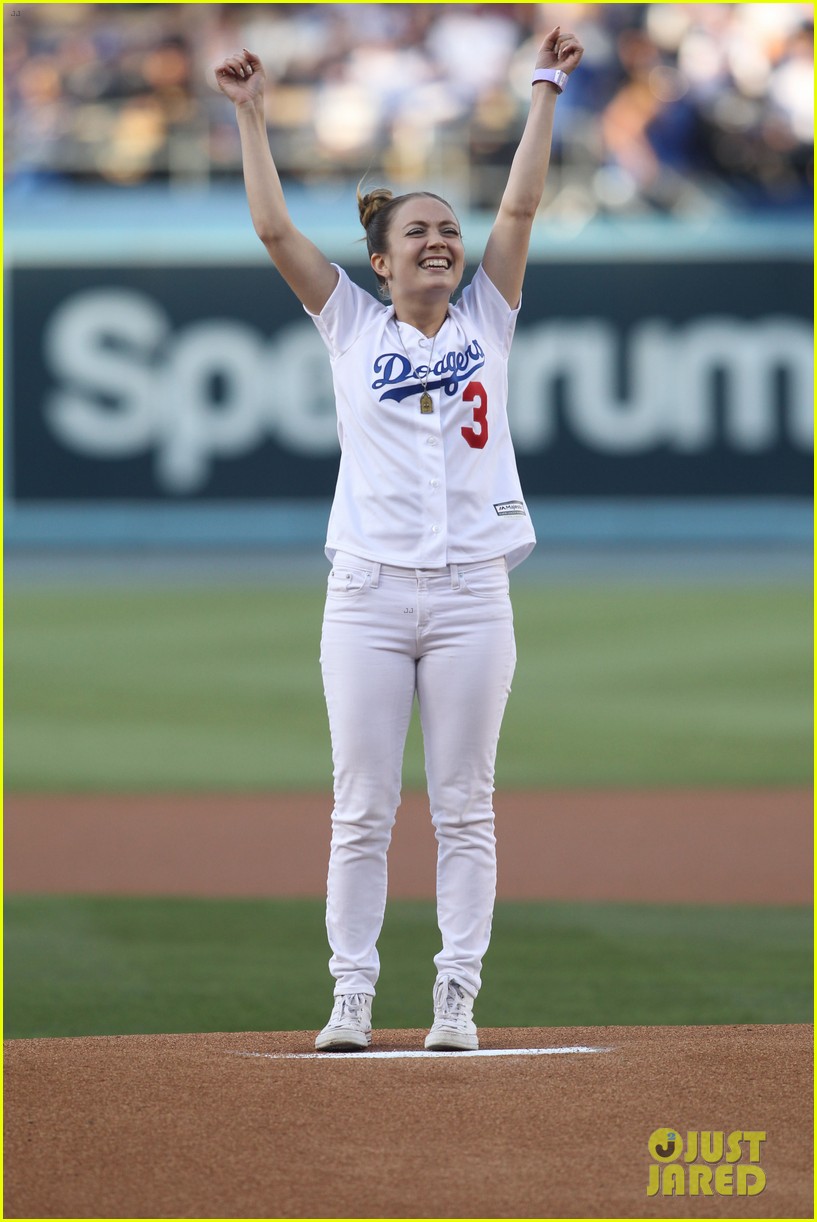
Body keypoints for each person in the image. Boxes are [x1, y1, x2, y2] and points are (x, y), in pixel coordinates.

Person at [215, 26, 583, 1052]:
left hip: (472, 591)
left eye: (447, 231)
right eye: (418, 233)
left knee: (464, 806)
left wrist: (544, 86)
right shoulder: (350, 326)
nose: (440, 240)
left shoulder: (488, 320)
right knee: (361, 807)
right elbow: (274, 230)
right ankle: (350, 992)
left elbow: (519, 204)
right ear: (378, 265)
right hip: (368, 594)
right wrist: (249, 113)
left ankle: (456, 993)